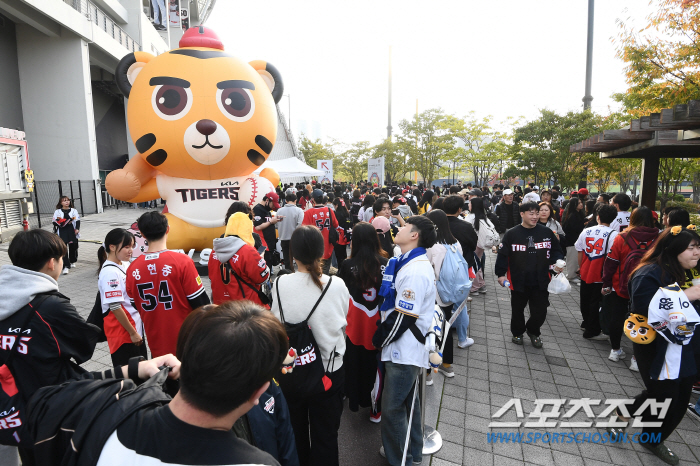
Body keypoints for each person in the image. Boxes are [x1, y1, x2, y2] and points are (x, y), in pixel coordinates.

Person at [26, 301, 291, 466]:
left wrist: (134, 369)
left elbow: (46, 397)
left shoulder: (108, 419)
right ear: (259, 392)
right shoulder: (258, 463)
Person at [0, 229, 101, 465]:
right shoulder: (52, 307)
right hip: (49, 407)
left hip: (12, 406)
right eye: (61, 259)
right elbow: (84, 347)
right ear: (51, 263)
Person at [611, 227, 700, 465]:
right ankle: (622, 413)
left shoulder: (691, 272)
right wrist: (687, 295)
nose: (696, 253)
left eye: (698, 247)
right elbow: (643, 309)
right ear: (673, 249)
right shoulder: (650, 273)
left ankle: (652, 439)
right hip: (656, 346)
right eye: (691, 248)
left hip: (687, 347)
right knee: (662, 393)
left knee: (681, 398)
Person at [271, 226, 349, 466]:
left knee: (294, 431)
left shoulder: (279, 283)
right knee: (326, 435)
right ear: (322, 251)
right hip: (328, 370)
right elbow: (342, 322)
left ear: (292, 253)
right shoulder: (336, 284)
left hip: (291, 369)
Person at [372, 216, 437, 466]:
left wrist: (380, 338)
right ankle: (412, 451)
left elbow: (404, 316)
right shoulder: (402, 261)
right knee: (409, 403)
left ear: (414, 235)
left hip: (404, 348)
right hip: (402, 345)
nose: (397, 227)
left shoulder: (415, 270)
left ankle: (400, 459)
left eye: (404, 226)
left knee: (393, 409)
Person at [126, 212, 210, 358]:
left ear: (142, 234)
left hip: (156, 344)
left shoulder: (132, 269)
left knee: (163, 379)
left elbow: (135, 304)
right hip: (187, 342)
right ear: (168, 229)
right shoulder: (182, 261)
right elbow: (201, 303)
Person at [495, 202, 565, 348]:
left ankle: (533, 331)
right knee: (517, 309)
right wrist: (501, 274)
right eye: (531, 213)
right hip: (518, 279)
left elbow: (556, 251)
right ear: (522, 214)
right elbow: (502, 255)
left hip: (541, 279)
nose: (535, 217)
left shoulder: (546, 232)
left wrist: (558, 262)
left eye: (537, 213)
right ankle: (517, 332)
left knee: (540, 311)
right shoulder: (512, 234)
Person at [338, 222, 388, 422]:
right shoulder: (386, 262)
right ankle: (375, 409)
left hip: (354, 323)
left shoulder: (347, 265)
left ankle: (352, 399)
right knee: (376, 366)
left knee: (352, 361)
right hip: (378, 323)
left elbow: (341, 293)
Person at [602, 206, 659, 371]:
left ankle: (615, 350)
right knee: (642, 320)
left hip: (622, 284)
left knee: (617, 317)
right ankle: (636, 358)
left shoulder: (622, 237)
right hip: (648, 288)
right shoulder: (658, 239)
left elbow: (611, 262)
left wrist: (606, 283)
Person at [426, 209, 469, 378]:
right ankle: (447, 365)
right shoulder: (455, 242)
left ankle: (428, 373)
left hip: (435, 293)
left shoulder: (432, 245)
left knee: (430, 330)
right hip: (451, 292)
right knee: (446, 327)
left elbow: (428, 267)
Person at [97, 228, 147, 367]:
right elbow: (115, 306)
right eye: (126, 247)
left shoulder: (124, 264)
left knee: (142, 371)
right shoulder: (109, 273)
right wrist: (132, 333)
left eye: (132, 246)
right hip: (123, 333)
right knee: (131, 375)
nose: (130, 250)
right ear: (112, 247)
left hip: (134, 327)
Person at [574, 205, 618, 340]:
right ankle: (592, 329)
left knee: (585, 299)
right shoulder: (614, 235)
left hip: (586, 270)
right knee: (596, 301)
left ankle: (585, 322)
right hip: (601, 273)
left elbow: (579, 250)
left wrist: (580, 267)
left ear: (597, 216)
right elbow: (612, 257)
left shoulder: (587, 230)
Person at [209, 212, 270, 306]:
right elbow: (263, 278)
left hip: (221, 308)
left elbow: (211, 278)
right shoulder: (248, 251)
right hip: (245, 309)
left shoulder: (214, 252)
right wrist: (261, 260)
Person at [302, 189, 340, 275]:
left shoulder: (308, 212)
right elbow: (336, 225)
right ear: (323, 198)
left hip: (314, 249)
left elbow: (304, 230)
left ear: (313, 200)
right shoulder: (330, 211)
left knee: (314, 273)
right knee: (325, 273)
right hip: (328, 247)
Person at [465, 197, 499, 295]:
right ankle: (481, 285)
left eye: (470, 203)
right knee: (477, 264)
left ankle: (475, 287)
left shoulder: (470, 217)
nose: (468, 205)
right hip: (480, 245)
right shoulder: (483, 216)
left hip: (473, 244)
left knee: (473, 265)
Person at [443, 195, 478, 272]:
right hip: (463, 262)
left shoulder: (437, 224)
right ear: (459, 209)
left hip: (442, 264)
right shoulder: (466, 226)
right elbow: (473, 245)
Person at [254, 192, 282, 271]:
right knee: (265, 268)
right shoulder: (258, 209)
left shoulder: (267, 210)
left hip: (269, 244)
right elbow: (258, 227)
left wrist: (275, 220)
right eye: (273, 204)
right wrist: (271, 222)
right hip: (263, 244)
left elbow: (267, 222)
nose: (273, 207)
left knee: (269, 266)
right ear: (267, 200)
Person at [52, 196, 80, 275]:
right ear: (61, 203)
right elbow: (54, 221)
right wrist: (63, 222)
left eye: (68, 200)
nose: (67, 202)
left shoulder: (74, 211)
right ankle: (66, 266)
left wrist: (77, 229)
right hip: (62, 231)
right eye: (64, 201)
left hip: (72, 231)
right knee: (63, 248)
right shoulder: (57, 212)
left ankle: (72, 261)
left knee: (73, 247)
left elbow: (77, 220)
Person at [277, 192, 305, 271]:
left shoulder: (279, 211)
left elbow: (276, 225)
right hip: (295, 238)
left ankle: (288, 274)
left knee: (287, 259)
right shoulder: (299, 211)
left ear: (286, 201)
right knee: (298, 259)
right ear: (295, 200)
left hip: (283, 238)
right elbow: (300, 224)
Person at [561, 197, 586, 284]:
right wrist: (583, 224)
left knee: (575, 259)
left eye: (581, 202)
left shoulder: (578, 214)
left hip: (576, 241)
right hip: (572, 241)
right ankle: (570, 276)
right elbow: (572, 229)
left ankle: (573, 275)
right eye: (579, 203)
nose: (581, 204)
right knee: (572, 259)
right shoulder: (572, 215)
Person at [332, 197, 352, 269]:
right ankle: (344, 269)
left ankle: (340, 270)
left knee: (338, 255)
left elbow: (334, 224)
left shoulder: (336, 214)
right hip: (345, 235)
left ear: (337, 205)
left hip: (339, 236)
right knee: (344, 253)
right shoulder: (346, 212)